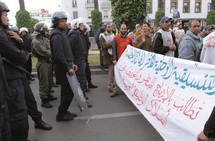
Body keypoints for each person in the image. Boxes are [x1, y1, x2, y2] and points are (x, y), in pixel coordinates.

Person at [8, 25, 53, 131]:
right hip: (9, 78)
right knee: (16, 108)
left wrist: (19, 42)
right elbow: (22, 55)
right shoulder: (5, 42)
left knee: (30, 100)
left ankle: (38, 120)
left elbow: (23, 55)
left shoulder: (17, 41)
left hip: (19, 74)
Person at [0, 2, 29, 140]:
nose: (8, 19)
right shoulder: (1, 37)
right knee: (18, 120)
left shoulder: (6, 35)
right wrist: (22, 48)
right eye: (5, 15)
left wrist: (20, 41)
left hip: (14, 81)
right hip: (10, 85)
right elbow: (21, 57)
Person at [50, 10, 78, 122]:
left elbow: (67, 52)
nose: (64, 23)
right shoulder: (56, 35)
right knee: (69, 92)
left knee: (65, 92)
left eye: (65, 20)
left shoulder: (62, 33)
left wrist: (72, 64)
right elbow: (59, 55)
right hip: (62, 68)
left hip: (66, 66)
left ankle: (64, 110)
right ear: (56, 22)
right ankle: (60, 114)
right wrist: (68, 68)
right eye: (62, 21)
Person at [31, 22, 57, 108]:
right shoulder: (36, 42)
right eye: (45, 30)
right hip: (42, 63)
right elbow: (45, 52)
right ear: (41, 31)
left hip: (48, 62)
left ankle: (48, 94)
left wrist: (50, 49)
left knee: (49, 80)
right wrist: (52, 51)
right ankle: (44, 100)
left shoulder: (44, 39)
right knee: (44, 82)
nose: (46, 31)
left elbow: (50, 47)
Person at [69, 19, 92, 108]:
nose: (83, 26)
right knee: (81, 80)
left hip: (81, 59)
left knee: (82, 80)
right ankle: (82, 100)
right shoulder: (74, 35)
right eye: (81, 25)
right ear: (76, 26)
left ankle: (82, 97)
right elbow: (69, 48)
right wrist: (73, 62)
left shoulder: (79, 35)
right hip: (78, 60)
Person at [111, 24, 132, 97]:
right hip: (118, 60)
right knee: (117, 76)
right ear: (120, 30)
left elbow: (131, 50)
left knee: (127, 76)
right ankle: (115, 90)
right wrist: (114, 59)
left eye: (125, 29)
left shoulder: (129, 39)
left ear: (127, 30)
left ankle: (128, 90)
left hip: (127, 61)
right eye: (122, 29)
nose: (123, 30)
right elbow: (114, 49)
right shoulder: (115, 38)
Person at [100, 23, 115, 93]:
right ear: (106, 28)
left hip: (113, 55)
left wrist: (110, 43)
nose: (110, 28)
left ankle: (112, 84)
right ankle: (110, 86)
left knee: (113, 71)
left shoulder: (113, 34)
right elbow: (104, 45)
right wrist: (111, 43)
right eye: (108, 27)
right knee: (110, 71)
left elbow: (114, 43)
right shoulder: (102, 35)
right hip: (108, 55)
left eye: (110, 27)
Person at [82, 24, 98, 90]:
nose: (87, 33)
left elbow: (87, 44)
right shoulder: (81, 37)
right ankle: (84, 86)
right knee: (84, 71)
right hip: (82, 56)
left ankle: (89, 83)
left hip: (85, 55)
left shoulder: (85, 36)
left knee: (87, 71)